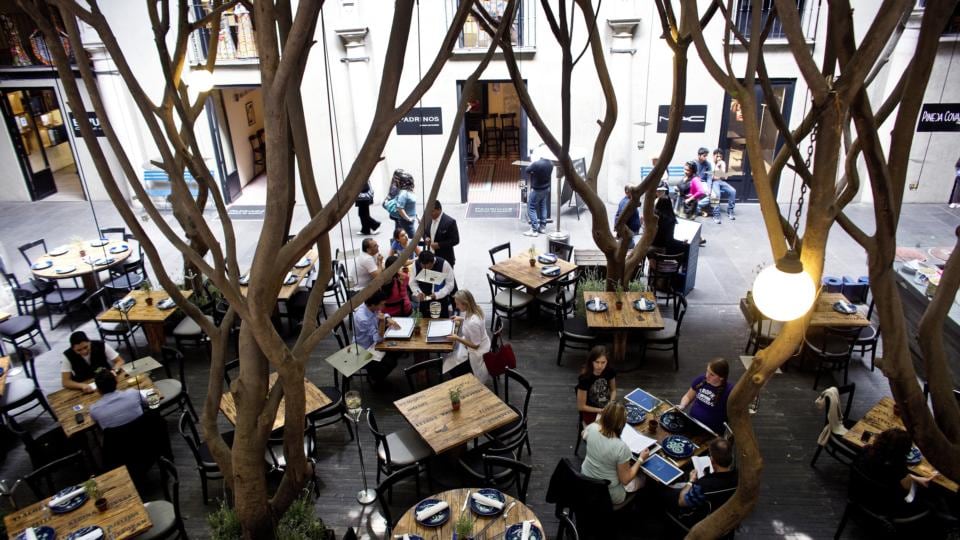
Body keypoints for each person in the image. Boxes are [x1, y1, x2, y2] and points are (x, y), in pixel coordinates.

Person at [852, 428, 940, 521]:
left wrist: (915, 478)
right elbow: (901, 486)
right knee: (932, 501)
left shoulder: (866, 451)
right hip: (885, 506)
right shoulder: (897, 470)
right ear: (903, 452)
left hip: (862, 495)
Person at [581, 401, 648, 509]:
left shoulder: (592, 428)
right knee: (643, 478)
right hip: (608, 494)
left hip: (585, 479)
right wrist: (641, 459)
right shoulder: (621, 447)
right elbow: (625, 479)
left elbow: (583, 434)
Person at [664, 438, 738, 527]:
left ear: (712, 460)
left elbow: (682, 501)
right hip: (720, 512)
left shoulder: (704, 486)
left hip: (696, 521)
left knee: (663, 490)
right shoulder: (737, 476)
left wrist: (691, 481)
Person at [352, 290, 400, 387]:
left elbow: (381, 313)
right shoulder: (363, 318)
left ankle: (376, 375)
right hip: (364, 349)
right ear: (373, 304)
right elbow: (378, 339)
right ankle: (374, 379)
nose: (384, 307)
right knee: (390, 361)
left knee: (396, 352)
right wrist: (382, 322)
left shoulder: (370, 307)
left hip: (372, 343)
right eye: (382, 304)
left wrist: (388, 318)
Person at [443, 289, 491, 383]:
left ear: (465, 304)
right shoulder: (477, 308)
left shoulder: (473, 323)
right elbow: (469, 320)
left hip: (477, 353)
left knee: (450, 364)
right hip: (484, 342)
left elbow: (475, 345)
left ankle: (464, 380)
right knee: (451, 359)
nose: (456, 306)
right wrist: (460, 318)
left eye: (457, 304)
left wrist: (457, 338)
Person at [679, 358, 733, 434]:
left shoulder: (729, 391)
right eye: (707, 371)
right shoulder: (701, 380)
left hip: (711, 432)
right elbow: (688, 396)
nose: (707, 376)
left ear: (721, 377)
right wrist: (682, 405)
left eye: (712, 374)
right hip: (692, 423)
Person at [577, 345, 617, 425]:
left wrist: (611, 403)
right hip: (591, 410)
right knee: (606, 429)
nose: (599, 366)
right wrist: (601, 411)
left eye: (603, 362)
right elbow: (581, 406)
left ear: (607, 362)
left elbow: (613, 390)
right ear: (591, 362)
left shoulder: (610, 371)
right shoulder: (584, 378)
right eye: (597, 362)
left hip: (606, 406)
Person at [413, 250, 457, 318]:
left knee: (442, 322)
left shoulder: (444, 264)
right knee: (425, 321)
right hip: (424, 300)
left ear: (433, 262)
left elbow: (450, 284)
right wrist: (418, 292)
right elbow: (412, 282)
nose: (426, 270)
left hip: (441, 299)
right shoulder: (415, 264)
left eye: (429, 267)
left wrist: (437, 294)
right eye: (423, 267)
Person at [524, 154, 553, 237]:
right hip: (546, 188)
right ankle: (542, 227)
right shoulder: (550, 163)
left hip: (537, 189)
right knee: (543, 206)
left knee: (531, 207)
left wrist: (532, 164)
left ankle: (534, 230)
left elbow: (527, 170)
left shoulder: (537, 164)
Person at [425, 200, 460, 266]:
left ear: (439, 209)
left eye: (432, 211)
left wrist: (439, 245)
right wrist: (426, 238)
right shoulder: (428, 219)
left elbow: (455, 240)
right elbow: (425, 232)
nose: (430, 213)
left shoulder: (450, 222)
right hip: (431, 258)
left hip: (445, 258)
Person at [711, 149, 736, 222]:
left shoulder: (722, 163)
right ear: (713, 155)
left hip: (719, 181)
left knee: (733, 191)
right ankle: (716, 214)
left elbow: (723, 176)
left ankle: (730, 211)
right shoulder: (710, 163)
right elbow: (712, 177)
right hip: (713, 182)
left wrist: (721, 166)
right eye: (717, 156)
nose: (718, 158)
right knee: (716, 194)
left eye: (720, 157)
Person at [394, 171, 418, 238]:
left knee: (411, 239)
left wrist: (417, 216)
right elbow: (400, 208)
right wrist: (408, 219)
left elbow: (412, 207)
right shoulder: (403, 194)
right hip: (406, 222)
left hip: (411, 220)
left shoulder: (409, 192)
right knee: (412, 240)